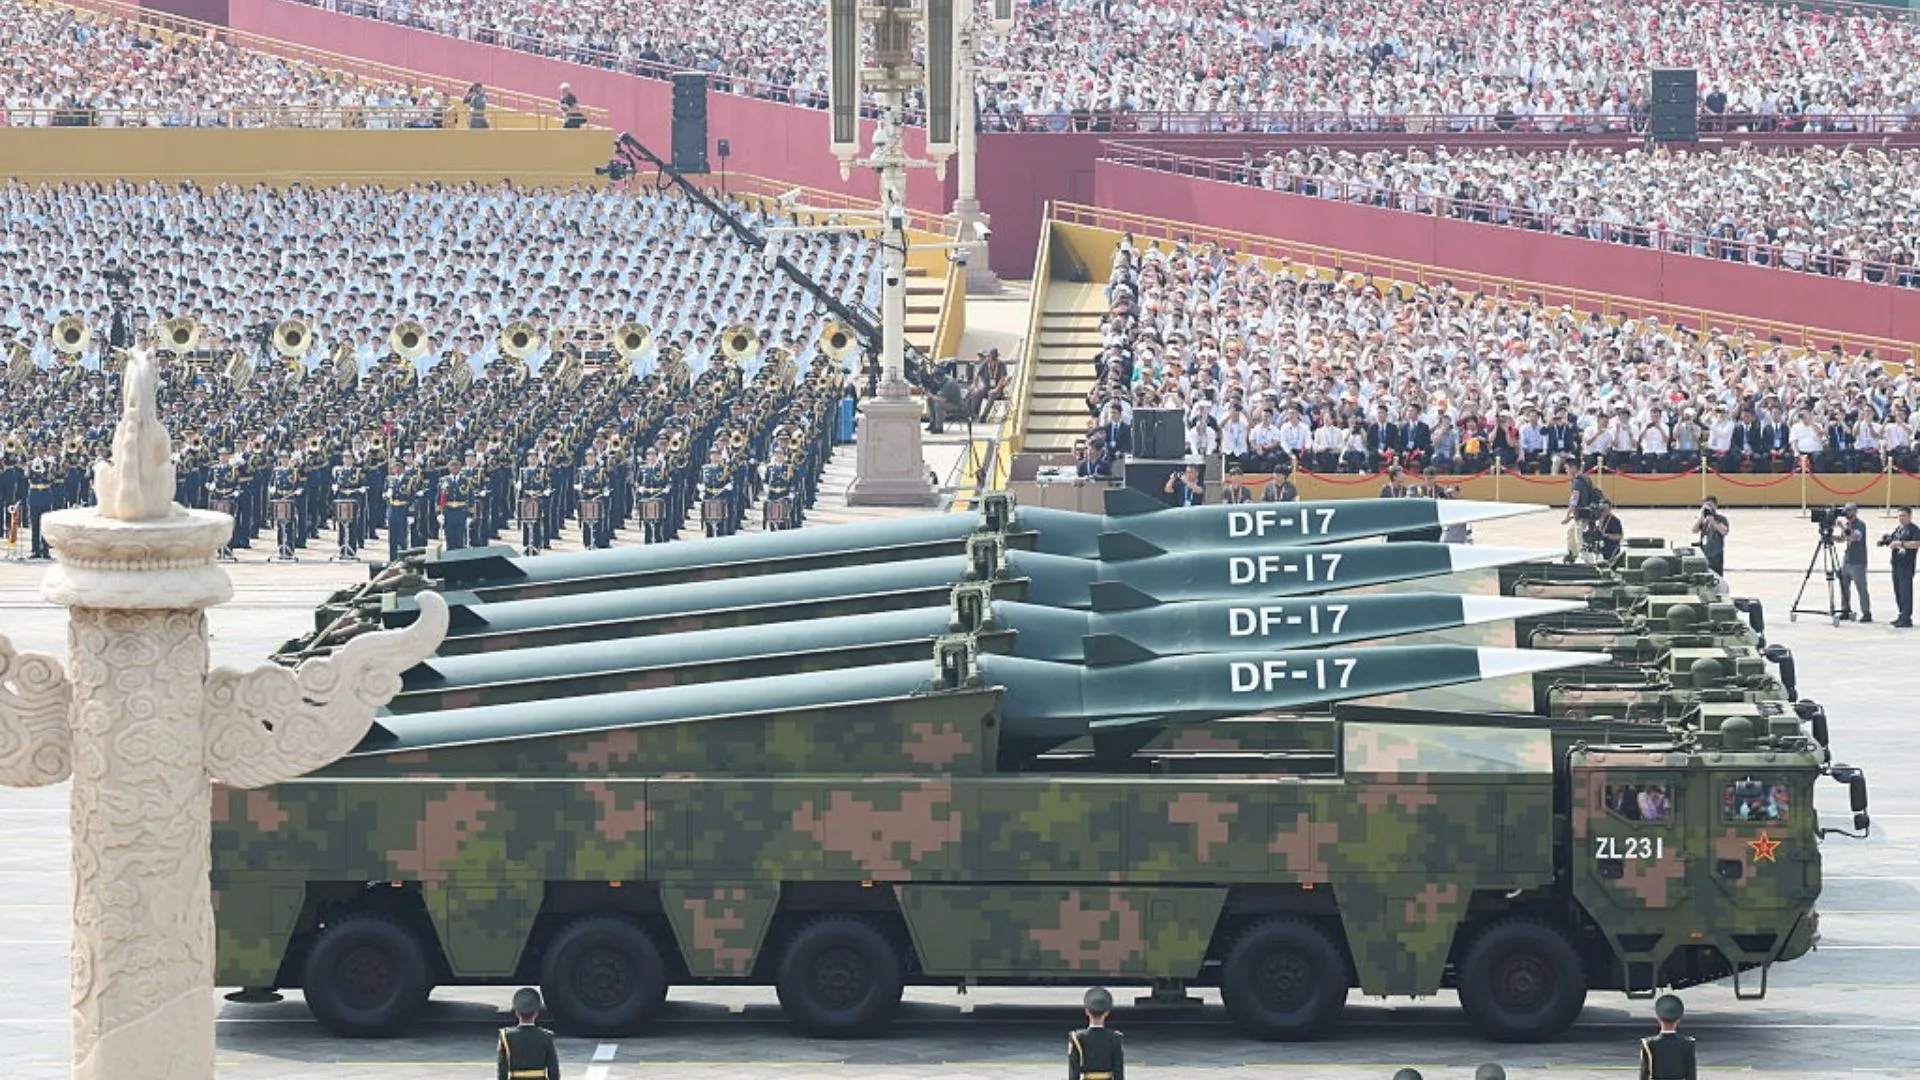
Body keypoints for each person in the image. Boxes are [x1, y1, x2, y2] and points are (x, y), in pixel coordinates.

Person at [497, 987, 560, 1080]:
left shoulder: (506, 1036)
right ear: (536, 1013)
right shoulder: (546, 1036)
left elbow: (502, 1069)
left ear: (516, 1013)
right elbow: (553, 1070)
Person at [1067, 986, 1123, 1080]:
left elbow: (1073, 1073)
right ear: (1107, 1013)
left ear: (1087, 1011)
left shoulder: (1077, 1038)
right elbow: (1119, 1072)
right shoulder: (1115, 1037)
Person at [1638, 994, 1697, 1080]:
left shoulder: (1648, 1043)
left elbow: (1644, 1075)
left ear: (1658, 1019)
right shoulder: (1688, 1043)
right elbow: (1691, 1075)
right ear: (1678, 1020)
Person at [1837, 503, 1872, 623]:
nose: (1847, 513)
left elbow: (1854, 537)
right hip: (1847, 560)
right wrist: (1830, 537)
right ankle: (1845, 610)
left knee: (1861, 588)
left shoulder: (1860, 525)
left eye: (1849, 510)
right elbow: (1843, 539)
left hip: (1858, 561)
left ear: (1855, 512)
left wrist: (1842, 527)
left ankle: (1866, 612)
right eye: (1846, 510)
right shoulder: (1847, 525)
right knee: (1844, 587)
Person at [1885, 506, 1919, 628]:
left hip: (1906, 565)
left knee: (1905, 592)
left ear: (1910, 516)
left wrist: (1902, 544)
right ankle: (1901, 614)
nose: (1901, 518)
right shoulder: (1899, 529)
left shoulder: (1914, 529)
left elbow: (1916, 544)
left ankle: (1906, 618)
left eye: (1903, 516)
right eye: (1899, 516)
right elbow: (1892, 539)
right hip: (1896, 564)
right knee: (1898, 591)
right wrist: (1886, 540)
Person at [1693, 495, 1730, 576]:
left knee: (1716, 577)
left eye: (1710, 505)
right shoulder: (1704, 521)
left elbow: (1724, 531)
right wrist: (1701, 517)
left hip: (1716, 557)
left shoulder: (1721, 519)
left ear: (1715, 506)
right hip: (1704, 555)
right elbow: (1694, 530)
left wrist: (1712, 521)